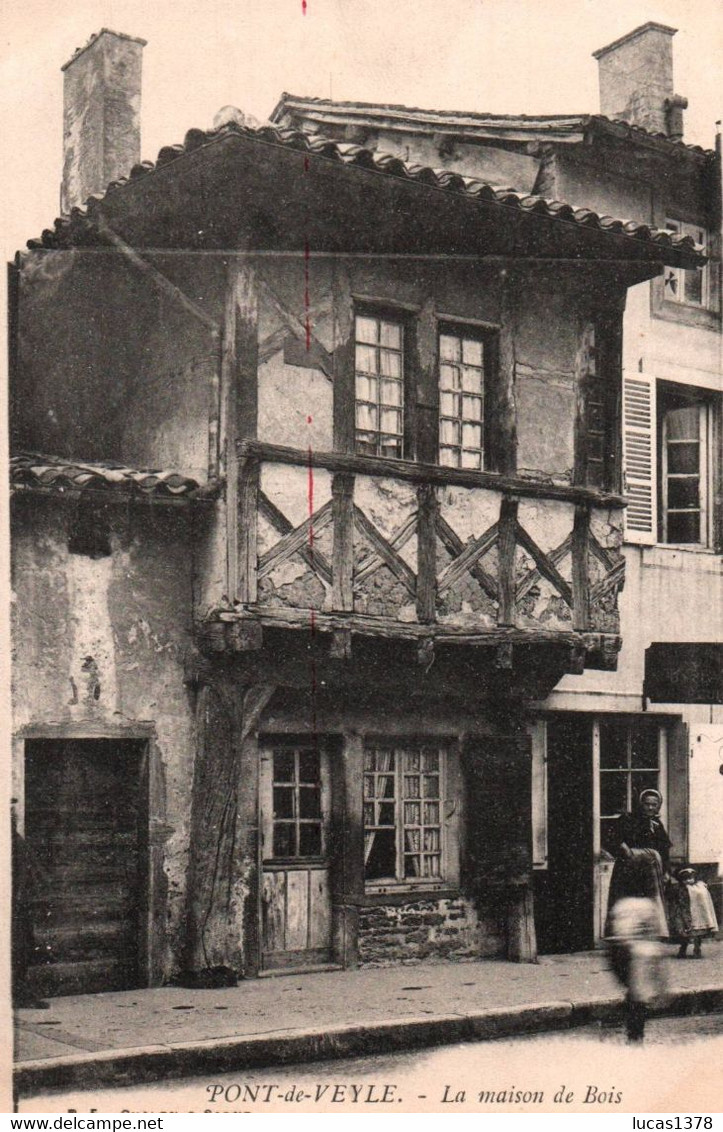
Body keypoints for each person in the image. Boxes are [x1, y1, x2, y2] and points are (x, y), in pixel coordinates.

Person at [605, 788, 670, 939]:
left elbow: (664, 850)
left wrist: (666, 871)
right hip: (629, 867)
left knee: (648, 901)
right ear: (641, 804)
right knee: (627, 898)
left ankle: (648, 935)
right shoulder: (628, 819)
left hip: (651, 869)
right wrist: (625, 850)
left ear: (658, 806)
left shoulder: (657, 825)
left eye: (654, 805)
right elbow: (613, 838)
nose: (650, 807)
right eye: (647, 804)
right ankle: (623, 934)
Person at [607, 896, 668, 1042]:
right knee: (639, 996)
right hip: (638, 950)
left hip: (619, 949)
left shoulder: (620, 903)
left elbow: (613, 929)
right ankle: (635, 1035)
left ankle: (632, 1029)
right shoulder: (648, 904)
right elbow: (653, 931)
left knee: (634, 993)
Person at [667, 866, 719, 959]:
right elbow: (676, 900)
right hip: (684, 913)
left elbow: (704, 900)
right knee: (684, 933)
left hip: (697, 914)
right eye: (685, 879)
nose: (688, 881)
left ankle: (697, 949)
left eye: (690, 878)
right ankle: (683, 949)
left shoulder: (700, 887)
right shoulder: (680, 889)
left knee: (697, 934)